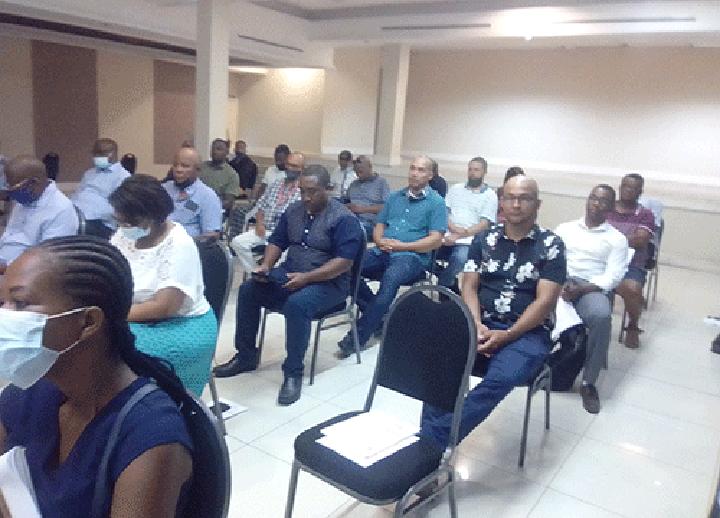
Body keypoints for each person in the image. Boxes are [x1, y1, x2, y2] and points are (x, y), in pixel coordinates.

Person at [0, 235, 192, 517]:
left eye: (20, 303)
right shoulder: (28, 391)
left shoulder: (150, 437)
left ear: (88, 322)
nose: (4, 316)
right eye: (2, 302)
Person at [420, 176, 566, 450]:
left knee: (500, 379)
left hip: (528, 332)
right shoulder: (484, 239)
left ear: (538, 204)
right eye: (510, 197)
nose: (516, 204)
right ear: (501, 202)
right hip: (482, 322)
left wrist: (508, 335)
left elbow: (545, 302)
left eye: (524, 198)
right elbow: (469, 286)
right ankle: (432, 448)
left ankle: (430, 443)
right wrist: (475, 323)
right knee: (440, 362)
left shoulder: (551, 245)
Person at [214, 165, 363, 405]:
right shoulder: (294, 210)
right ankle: (246, 356)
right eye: (302, 191)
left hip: (330, 285)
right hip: (291, 275)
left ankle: (293, 372)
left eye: (312, 192)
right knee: (249, 290)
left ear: (327, 189)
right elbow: (277, 241)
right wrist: (266, 266)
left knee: (297, 304)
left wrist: (308, 277)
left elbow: (343, 263)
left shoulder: (344, 219)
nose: (306, 197)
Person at [109, 175, 218, 396]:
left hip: (180, 324)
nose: (123, 227)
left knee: (114, 353)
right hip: (133, 316)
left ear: (153, 217)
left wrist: (111, 315)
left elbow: (164, 307)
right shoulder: (124, 234)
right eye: (119, 221)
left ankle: (141, 408)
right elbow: (109, 271)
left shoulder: (179, 244)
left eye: (128, 222)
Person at [336, 156, 447, 358]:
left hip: (412, 257)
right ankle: (378, 317)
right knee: (347, 267)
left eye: (421, 170)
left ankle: (356, 338)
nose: (415, 173)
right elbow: (379, 225)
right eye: (412, 168)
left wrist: (403, 246)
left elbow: (435, 240)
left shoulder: (436, 202)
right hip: (383, 251)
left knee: (391, 279)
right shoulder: (395, 197)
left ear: (430, 175)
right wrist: (379, 241)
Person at [555, 185, 629, 413]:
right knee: (532, 301)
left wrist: (582, 289)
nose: (596, 204)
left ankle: (588, 383)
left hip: (591, 287)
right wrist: (558, 282)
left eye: (603, 201)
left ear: (611, 207)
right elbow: (552, 258)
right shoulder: (565, 229)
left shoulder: (616, 239)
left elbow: (613, 276)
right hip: (561, 281)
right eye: (593, 198)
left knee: (601, 316)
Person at [0, 156, 78, 274]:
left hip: (24, 275)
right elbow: (9, 237)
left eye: (14, 189)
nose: (11, 194)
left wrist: (5, 267)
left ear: (33, 183)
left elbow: (48, 262)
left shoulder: (61, 209)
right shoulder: (24, 201)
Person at [230, 152, 304, 272]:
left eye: (294, 166)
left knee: (285, 257)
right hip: (264, 231)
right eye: (289, 164)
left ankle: (270, 276)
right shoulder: (276, 184)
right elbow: (261, 207)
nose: (290, 168)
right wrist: (259, 223)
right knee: (237, 242)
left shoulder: (303, 191)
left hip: (285, 236)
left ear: (302, 169)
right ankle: (256, 273)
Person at [607, 173, 655, 348]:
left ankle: (633, 326)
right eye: (625, 186)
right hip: (602, 261)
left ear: (640, 192)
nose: (628, 190)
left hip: (631, 265)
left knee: (633, 289)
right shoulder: (606, 207)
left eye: (633, 188)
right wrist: (626, 238)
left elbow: (640, 240)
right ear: (620, 187)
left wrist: (608, 239)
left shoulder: (645, 214)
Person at [438, 156, 498, 290]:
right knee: (425, 249)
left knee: (460, 258)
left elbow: (484, 224)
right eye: (470, 169)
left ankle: (443, 286)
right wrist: (452, 228)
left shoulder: (490, 196)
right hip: (446, 233)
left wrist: (459, 235)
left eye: (476, 170)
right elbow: (444, 212)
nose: (472, 173)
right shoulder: (456, 189)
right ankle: (445, 282)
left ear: (484, 172)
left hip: (469, 240)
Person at [71, 138, 130, 239]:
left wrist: (88, 212)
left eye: (100, 153)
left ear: (112, 153)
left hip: (100, 223)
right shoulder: (89, 173)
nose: (96, 157)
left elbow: (119, 209)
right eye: (95, 153)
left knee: (74, 229)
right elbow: (77, 194)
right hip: (77, 215)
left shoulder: (123, 176)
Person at [162, 147, 223, 242]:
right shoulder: (163, 189)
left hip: (188, 246)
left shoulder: (207, 196)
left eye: (185, 166)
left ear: (197, 170)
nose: (178, 170)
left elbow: (212, 236)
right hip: (158, 244)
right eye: (175, 165)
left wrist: (183, 243)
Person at [344, 155, 390, 240]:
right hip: (350, 219)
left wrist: (362, 209)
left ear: (370, 167)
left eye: (361, 172)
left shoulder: (381, 183)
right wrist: (345, 206)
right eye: (356, 172)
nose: (358, 175)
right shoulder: (353, 184)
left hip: (370, 223)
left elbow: (387, 207)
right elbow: (345, 201)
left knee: (350, 230)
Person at [198, 139, 240, 212]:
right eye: (212, 149)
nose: (214, 152)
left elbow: (228, 202)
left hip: (216, 211)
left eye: (218, 149)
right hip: (195, 206)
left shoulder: (232, 175)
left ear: (226, 152)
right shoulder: (201, 167)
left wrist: (207, 206)